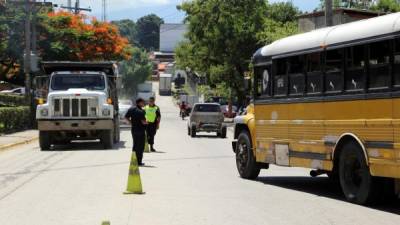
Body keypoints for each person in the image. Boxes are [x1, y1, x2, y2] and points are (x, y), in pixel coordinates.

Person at [125, 98, 148, 166]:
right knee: (140, 146)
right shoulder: (141, 111)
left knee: (135, 145)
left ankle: (134, 161)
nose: (143, 103)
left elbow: (126, 117)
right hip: (140, 130)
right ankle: (139, 161)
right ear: (139, 103)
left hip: (134, 130)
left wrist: (131, 123)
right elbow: (143, 122)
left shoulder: (131, 109)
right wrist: (147, 123)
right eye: (143, 102)